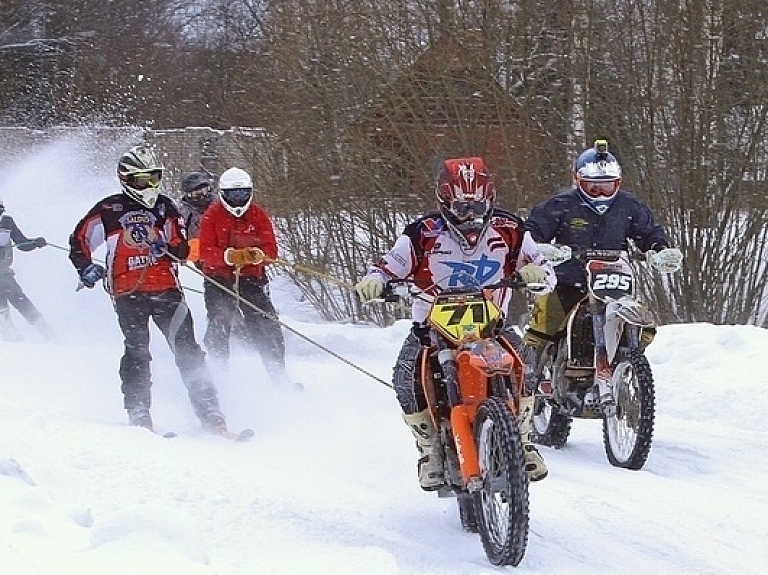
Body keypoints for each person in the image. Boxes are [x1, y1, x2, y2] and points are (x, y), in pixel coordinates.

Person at [355, 157, 556, 488]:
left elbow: (545, 269)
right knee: (405, 376)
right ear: (445, 203)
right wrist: (376, 281)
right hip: (432, 329)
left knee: (528, 365)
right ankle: (430, 448)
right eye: (462, 208)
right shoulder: (422, 233)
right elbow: (387, 266)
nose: (471, 217)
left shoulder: (511, 230)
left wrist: (535, 273)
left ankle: (522, 440)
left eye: (478, 207)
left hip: (491, 325)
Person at [68, 144, 228, 433]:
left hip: (167, 289)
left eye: (154, 177)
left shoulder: (165, 207)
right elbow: (79, 240)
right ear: (127, 179)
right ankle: (139, 411)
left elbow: (181, 249)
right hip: (128, 292)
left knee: (188, 349)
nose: (149, 185)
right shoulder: (109, 209)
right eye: (142, 179)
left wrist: (166, 247)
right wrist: (86, 267)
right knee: (137, 350)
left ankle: (211, 412)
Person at [523, 139, 682, 413]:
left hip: (614, 282)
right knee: (543, 326)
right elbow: (531, 232)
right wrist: (543, 249)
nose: (599, 193)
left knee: (644, 322)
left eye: (606, 186)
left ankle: (625, 363)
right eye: (592, 186)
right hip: (566, 281)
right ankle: (524, 385)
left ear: (617, 183)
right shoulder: (560, 205)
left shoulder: (629, 206)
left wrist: (660, 250)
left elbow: (650, 233)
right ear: (578, 181)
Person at [197, 166, 296, 388]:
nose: (238, 199)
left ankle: (279, 376)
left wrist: (258, 255)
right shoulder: (211, 216)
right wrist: (229, 256)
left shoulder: (258, 214)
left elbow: (271, 251)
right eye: (233, 195)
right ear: (223, 195)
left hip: (252, 279)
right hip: (219, 280)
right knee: (219, 323)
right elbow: (205, 252)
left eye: (242, 194)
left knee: (267, 324)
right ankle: (218, 376)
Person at [0, 196, 49, 340]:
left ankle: (50, 335)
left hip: (5, 275)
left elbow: (22, 243)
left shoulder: (7, 222)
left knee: (22, 303)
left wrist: (35, 243)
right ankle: (15, 341)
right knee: (2, 312)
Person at [177, 171, 214, 264]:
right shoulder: (183, 213)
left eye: (204, 191)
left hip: (218, 255)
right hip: (193, 259)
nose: (202, 196)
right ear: (188, 195)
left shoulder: (218, 207)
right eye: (197, 194)